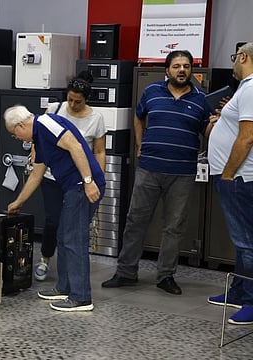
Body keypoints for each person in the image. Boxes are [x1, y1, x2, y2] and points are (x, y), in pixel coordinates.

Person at [102, 50, 210, 295]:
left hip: (182, 172)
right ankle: (126, 272)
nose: (181, 70)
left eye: (186, 66)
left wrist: (217, 120)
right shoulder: (152, 92)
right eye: (176, 66)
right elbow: (138, 117)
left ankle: (166, 276)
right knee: (135, 221)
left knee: (174, 227)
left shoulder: (201, 99)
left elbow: (207, 133)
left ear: (191, 70)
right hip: (149, 168)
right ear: (167, 70)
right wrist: (139, 145)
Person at [4, 105, 105, 311]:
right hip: (73, 187)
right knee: (63, 236)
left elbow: (76, 146)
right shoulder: (39, 139)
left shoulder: (46, 123)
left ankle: (81, 297)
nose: (18, 138)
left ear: (21, 125)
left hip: (82, 186)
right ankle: (65, 287)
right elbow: (36, 175)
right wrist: (18, 202)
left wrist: (87, 181)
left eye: (15, 134)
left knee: (74, 239)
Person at [34, 73, 107, 281]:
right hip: (52, 176)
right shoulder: (54, 109)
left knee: (73, 226)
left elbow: (99, 152)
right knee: (53, 220)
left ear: (86, 99)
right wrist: (35, 161)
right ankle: (45, 259)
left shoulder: (96, 119)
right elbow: (39, 138)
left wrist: (96, 179)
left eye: (79, 101)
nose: (73, 105)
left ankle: (69, 275)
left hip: (78, 180)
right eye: (70, 100)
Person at [207, 42, 253, 325]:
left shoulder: (250, 88)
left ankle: (250, 300)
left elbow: (247, 137)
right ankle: (238, 291)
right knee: (242, 240)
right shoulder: (246, 89)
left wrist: (227, 172)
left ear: (244, 56)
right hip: (236, 176)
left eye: (235, 58)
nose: (233, 63)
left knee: (247, 242)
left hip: (238, 177)